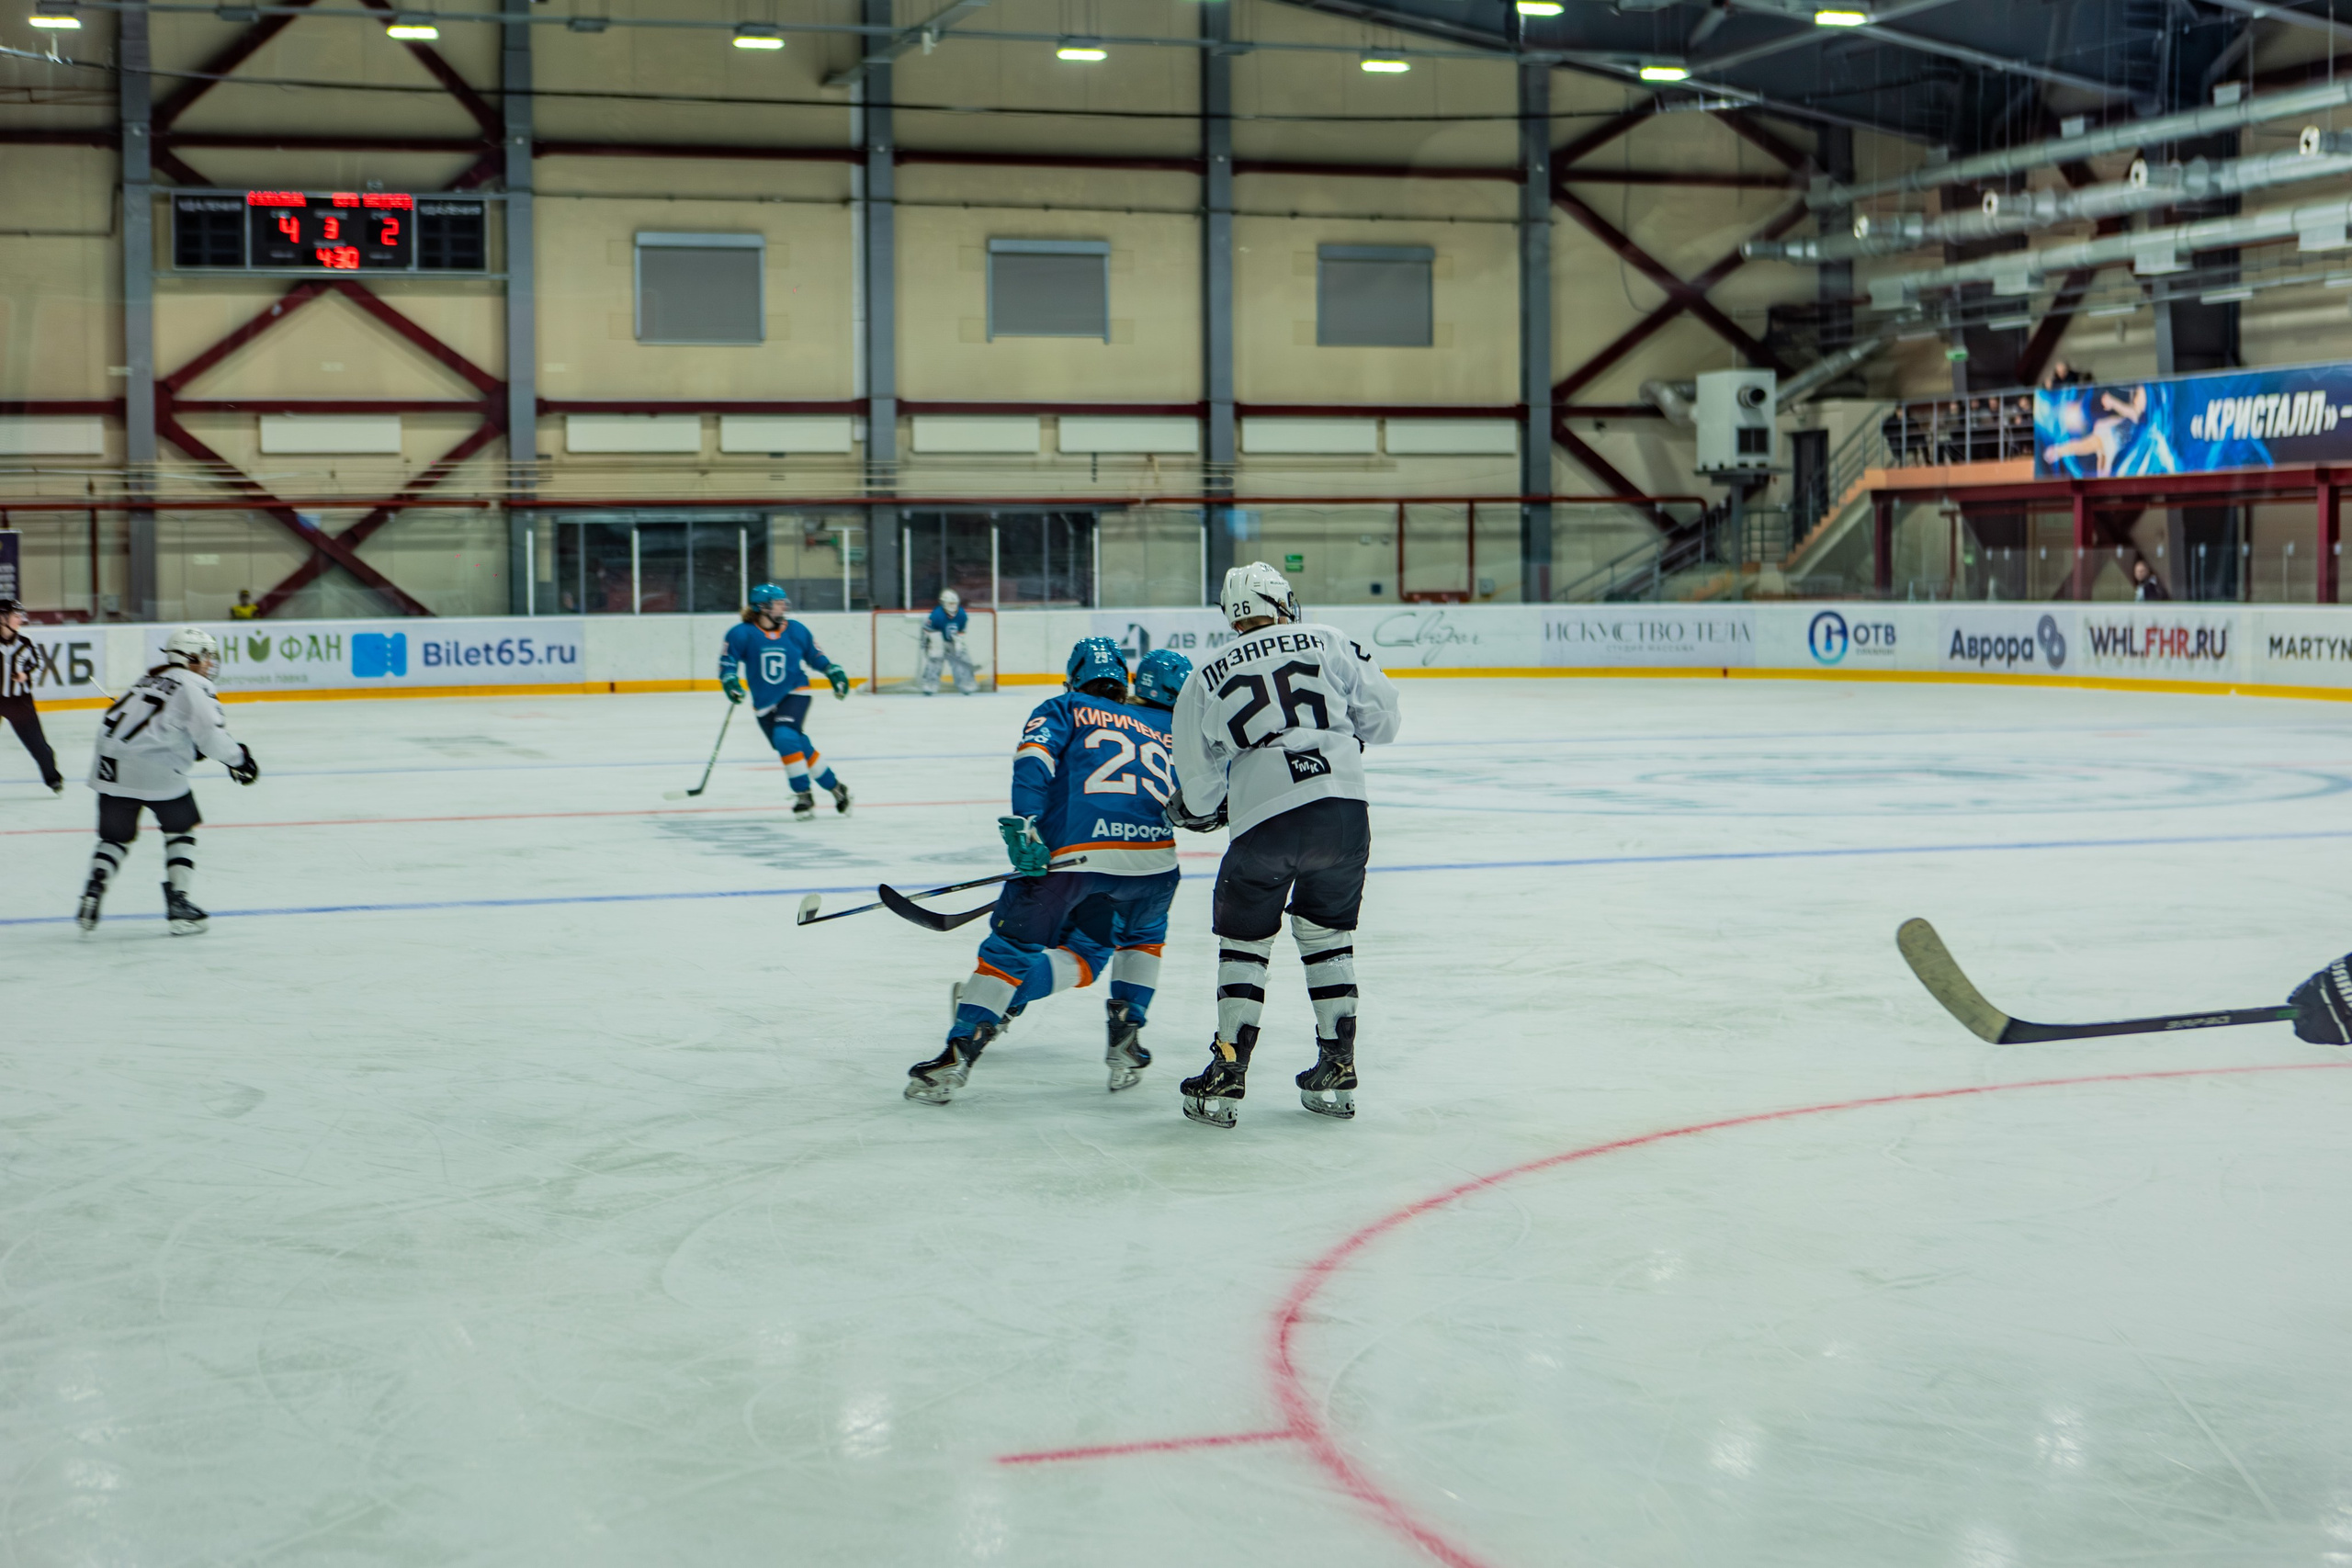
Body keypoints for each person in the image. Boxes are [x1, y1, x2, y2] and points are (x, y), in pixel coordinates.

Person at [1165, 561, 1401, 1128]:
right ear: (1283, 601)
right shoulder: (1332, 640)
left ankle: (1228, 1072)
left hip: (1264, 822)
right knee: (1326, 934)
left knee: (1246, 942)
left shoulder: (1205, 675)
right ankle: (1336, 1065)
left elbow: (1197, 790)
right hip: (1343, 812)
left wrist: (1200, 810)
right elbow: (1384, 721)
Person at [905, 639, 1193, 1104]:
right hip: (1153, 866)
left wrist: (1026, 824)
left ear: (1074, 677)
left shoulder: (1065, 706)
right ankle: (1126, 1039)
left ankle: (958, 1052)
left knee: (1009, 951)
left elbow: (1034, 761)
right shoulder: (1166, 726)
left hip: (1073, 860)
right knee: (1128, 944)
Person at [77, 626, 259, 935]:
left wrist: (187, 746)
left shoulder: (148, 678)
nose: (208, 662)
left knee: (115, 838)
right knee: (180, 830)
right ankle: (179, 904)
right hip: (154, 769)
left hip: (109, 766)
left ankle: (94, 889)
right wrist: (239, 759)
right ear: (189, 656)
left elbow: (152, 725)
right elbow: (210, 735)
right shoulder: (193, 683)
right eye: (205, 656)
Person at [718, 584, 853, 821]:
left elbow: (815, 655)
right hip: (764, 703)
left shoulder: (796, 630)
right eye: (778, 602)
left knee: (785, 737)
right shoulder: (741, 634)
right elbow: (728, 662)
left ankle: (803, 794)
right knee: (799, 747)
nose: (783, 606)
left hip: (796, 691)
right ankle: (837, 788)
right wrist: (730, 681)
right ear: (762, 606)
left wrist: (833, 671)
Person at [1, 598, 65, 795]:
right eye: (16, 615)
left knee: (37, 744)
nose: (20, 619)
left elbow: (38, 666)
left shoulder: (26, 642)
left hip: (20, 702)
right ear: (2, 618)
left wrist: (25, 675)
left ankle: (52, 778)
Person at [920, 589, 979, 695]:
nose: (952, 606)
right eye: (950, 603)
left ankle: (967, 684)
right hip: (937, 638)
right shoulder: (937, 614)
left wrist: (958, 642)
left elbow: (961, 631)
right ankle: (929, 685)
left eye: (954, 603)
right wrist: (932, 642)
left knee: (961, 657)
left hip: (952, 640)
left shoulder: (962, 614)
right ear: (944, 603)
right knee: (935, 658)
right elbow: (927, 629)